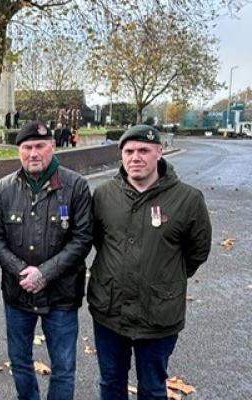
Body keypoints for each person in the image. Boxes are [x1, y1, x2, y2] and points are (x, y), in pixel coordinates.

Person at [88, 125, 212, 400]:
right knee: (110, 383)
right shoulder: (103, 195)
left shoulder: (188, 199)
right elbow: (99, 241)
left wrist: (165, 278)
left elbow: (197, 251)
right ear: (121, 156)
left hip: (159, 313)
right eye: (129, 151)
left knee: (153, 388)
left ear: (159, 152)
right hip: (110, 310)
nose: (136, 157)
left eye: (143, 150)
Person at [0, 121, 93, 400]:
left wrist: (44, 273)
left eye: (40, 146)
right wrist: (22, 271)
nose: (33, 153)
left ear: (53, 147)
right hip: (18, 293)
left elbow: (82, 240)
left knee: (63, 366)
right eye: (27, 147)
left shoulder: (76, 186)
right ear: (19, 151)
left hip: (61, 295)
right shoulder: (4, 188)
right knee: (20, 362)